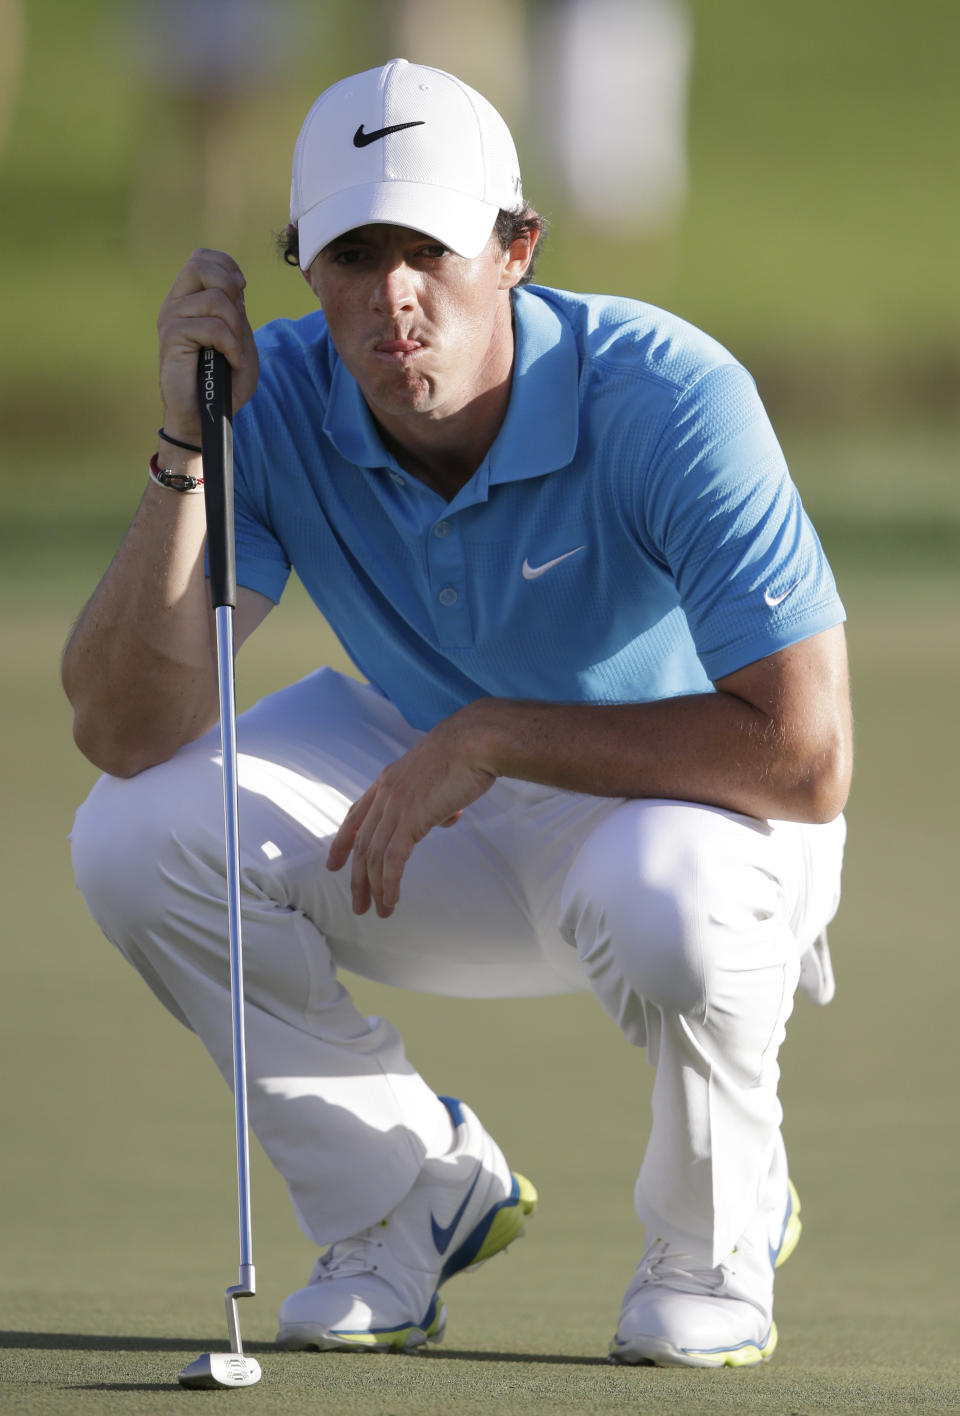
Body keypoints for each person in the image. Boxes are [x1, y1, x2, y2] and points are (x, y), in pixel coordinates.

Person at [63, 58, 852, 1368]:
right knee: (133, 834)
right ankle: (401, 1198)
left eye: (426, 248)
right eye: (351, 255)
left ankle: (718, 1229)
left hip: (704, 818)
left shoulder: (666, 395)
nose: (393, 300)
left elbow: (805, 755)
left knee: (668, 900)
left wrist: (493, 733)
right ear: (303, 268)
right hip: (449, 821)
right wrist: (184, 449)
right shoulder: (281, 398)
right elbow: (123, 730)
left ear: (516, 248)